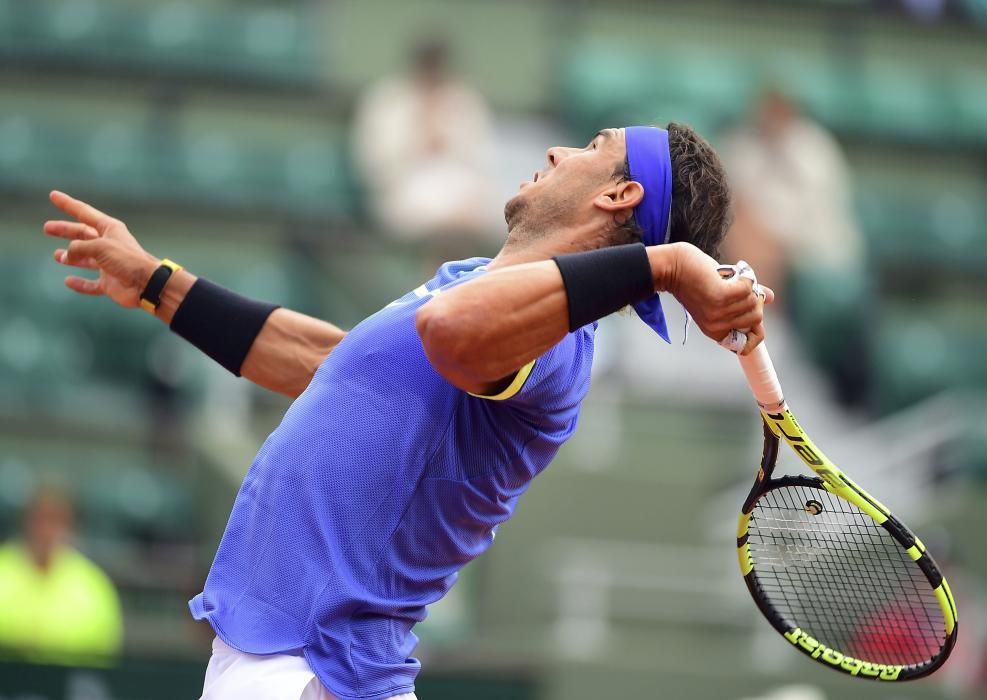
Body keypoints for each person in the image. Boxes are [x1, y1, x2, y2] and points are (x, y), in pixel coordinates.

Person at [42, 122, 771, 700]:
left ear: (618, 195)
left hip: (315, 673)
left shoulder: (553, 344)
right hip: (286, 665)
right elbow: (329, 367)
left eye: (594, 147)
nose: (557, 149)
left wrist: (666, 265)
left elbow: (450, 333)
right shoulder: (465, 284)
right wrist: (157, 284)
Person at [352, 37, 501, 241]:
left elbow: (481, 156)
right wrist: (419, 142)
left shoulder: (464, 98)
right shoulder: (388, 99)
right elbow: (374, 161)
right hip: (403, 186)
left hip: (460, 185)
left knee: (485, 211)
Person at [0, 487, 123, 665]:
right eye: (40, 519)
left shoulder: (93, 585)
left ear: (70, 526)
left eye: (56, 521)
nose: (46, 531)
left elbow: (105, 656)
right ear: (26, 521)